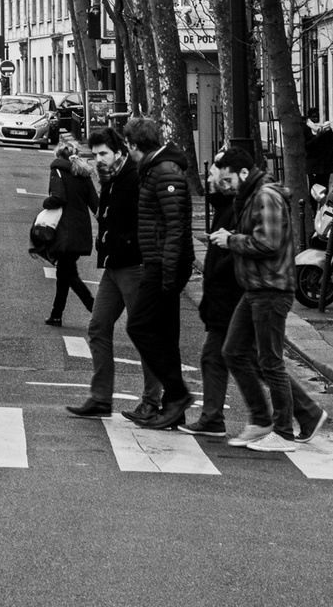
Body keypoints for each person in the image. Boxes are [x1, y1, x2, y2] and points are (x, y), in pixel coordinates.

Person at [210, 147, 329, 452]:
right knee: (235, 351)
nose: (228, 185)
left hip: (271, 289)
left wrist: (231, 240)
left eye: (230, 180)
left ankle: (283, 431)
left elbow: (268, 242)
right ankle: (273, 418)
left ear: (244, 173)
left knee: (270, 361)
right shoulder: (253, 196)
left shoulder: (266, 196)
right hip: (257, 288)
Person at [65, 127, 164, 421]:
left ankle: (152, 401)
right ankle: (100, 397)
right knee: (97, 326)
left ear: (120, 152)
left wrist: (128, 243)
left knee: (144, 332)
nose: (98, 160)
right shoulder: (111, 177)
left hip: (134, 264)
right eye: (94, 155)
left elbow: (148, 218)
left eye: (103, 154)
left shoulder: (134, 177)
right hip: (113, 265)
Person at [123, 116, 194, 430]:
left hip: (164, 264)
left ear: (135, 146)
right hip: (162, 262)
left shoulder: (165, 172)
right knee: (165, 334)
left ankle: (177, 395)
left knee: (139, 326)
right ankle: (172, 407)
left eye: (129, 146)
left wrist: (167, 274)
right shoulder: (157, 169)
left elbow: (175, 226)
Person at [179, 150, 245, 439]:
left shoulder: (238, 206)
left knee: (255, 362)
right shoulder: (224, 205)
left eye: (215, 172)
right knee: (215, 357)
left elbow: (249, 248)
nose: (209, 177)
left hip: (233, 296)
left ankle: (305, 413)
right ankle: (212, 417)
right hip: (224, 295)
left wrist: (225, 248)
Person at [44, 139, 97, 326]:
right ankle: (56, 314)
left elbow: (58, 197)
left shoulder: (57, 170)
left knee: (69, 275)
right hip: (81, 230)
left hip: (64, 231)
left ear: (59, 155)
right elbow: (95, 205)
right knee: (64, 273)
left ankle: (95, 308)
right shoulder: (83, 173)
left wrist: (45, 204)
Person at [304, 108, 333, 192]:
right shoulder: (306, 129)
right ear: (309, 118)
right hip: (313, 164)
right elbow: (306, 146)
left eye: (317, 117)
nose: (316, 119)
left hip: (325, 164)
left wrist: (328, 156)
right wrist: (316, 137)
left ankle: (323, 204)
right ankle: (313, 205)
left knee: (325, 187)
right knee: (314, 189)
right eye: (313, 117)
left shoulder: (326, 129)